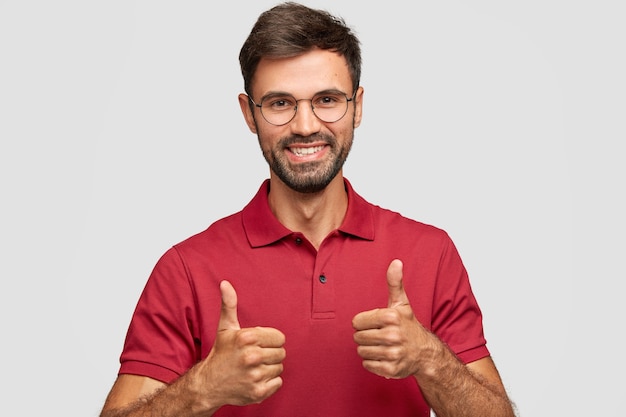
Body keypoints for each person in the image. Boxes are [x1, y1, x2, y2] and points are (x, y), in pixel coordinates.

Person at [100, 2, 516, 416]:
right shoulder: (186, 269)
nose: (305, 126)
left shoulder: (431, 253)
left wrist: (431, 359)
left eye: (327, 99)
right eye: (280, 103)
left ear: (357, 106)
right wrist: (202, 389)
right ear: (249, 114)